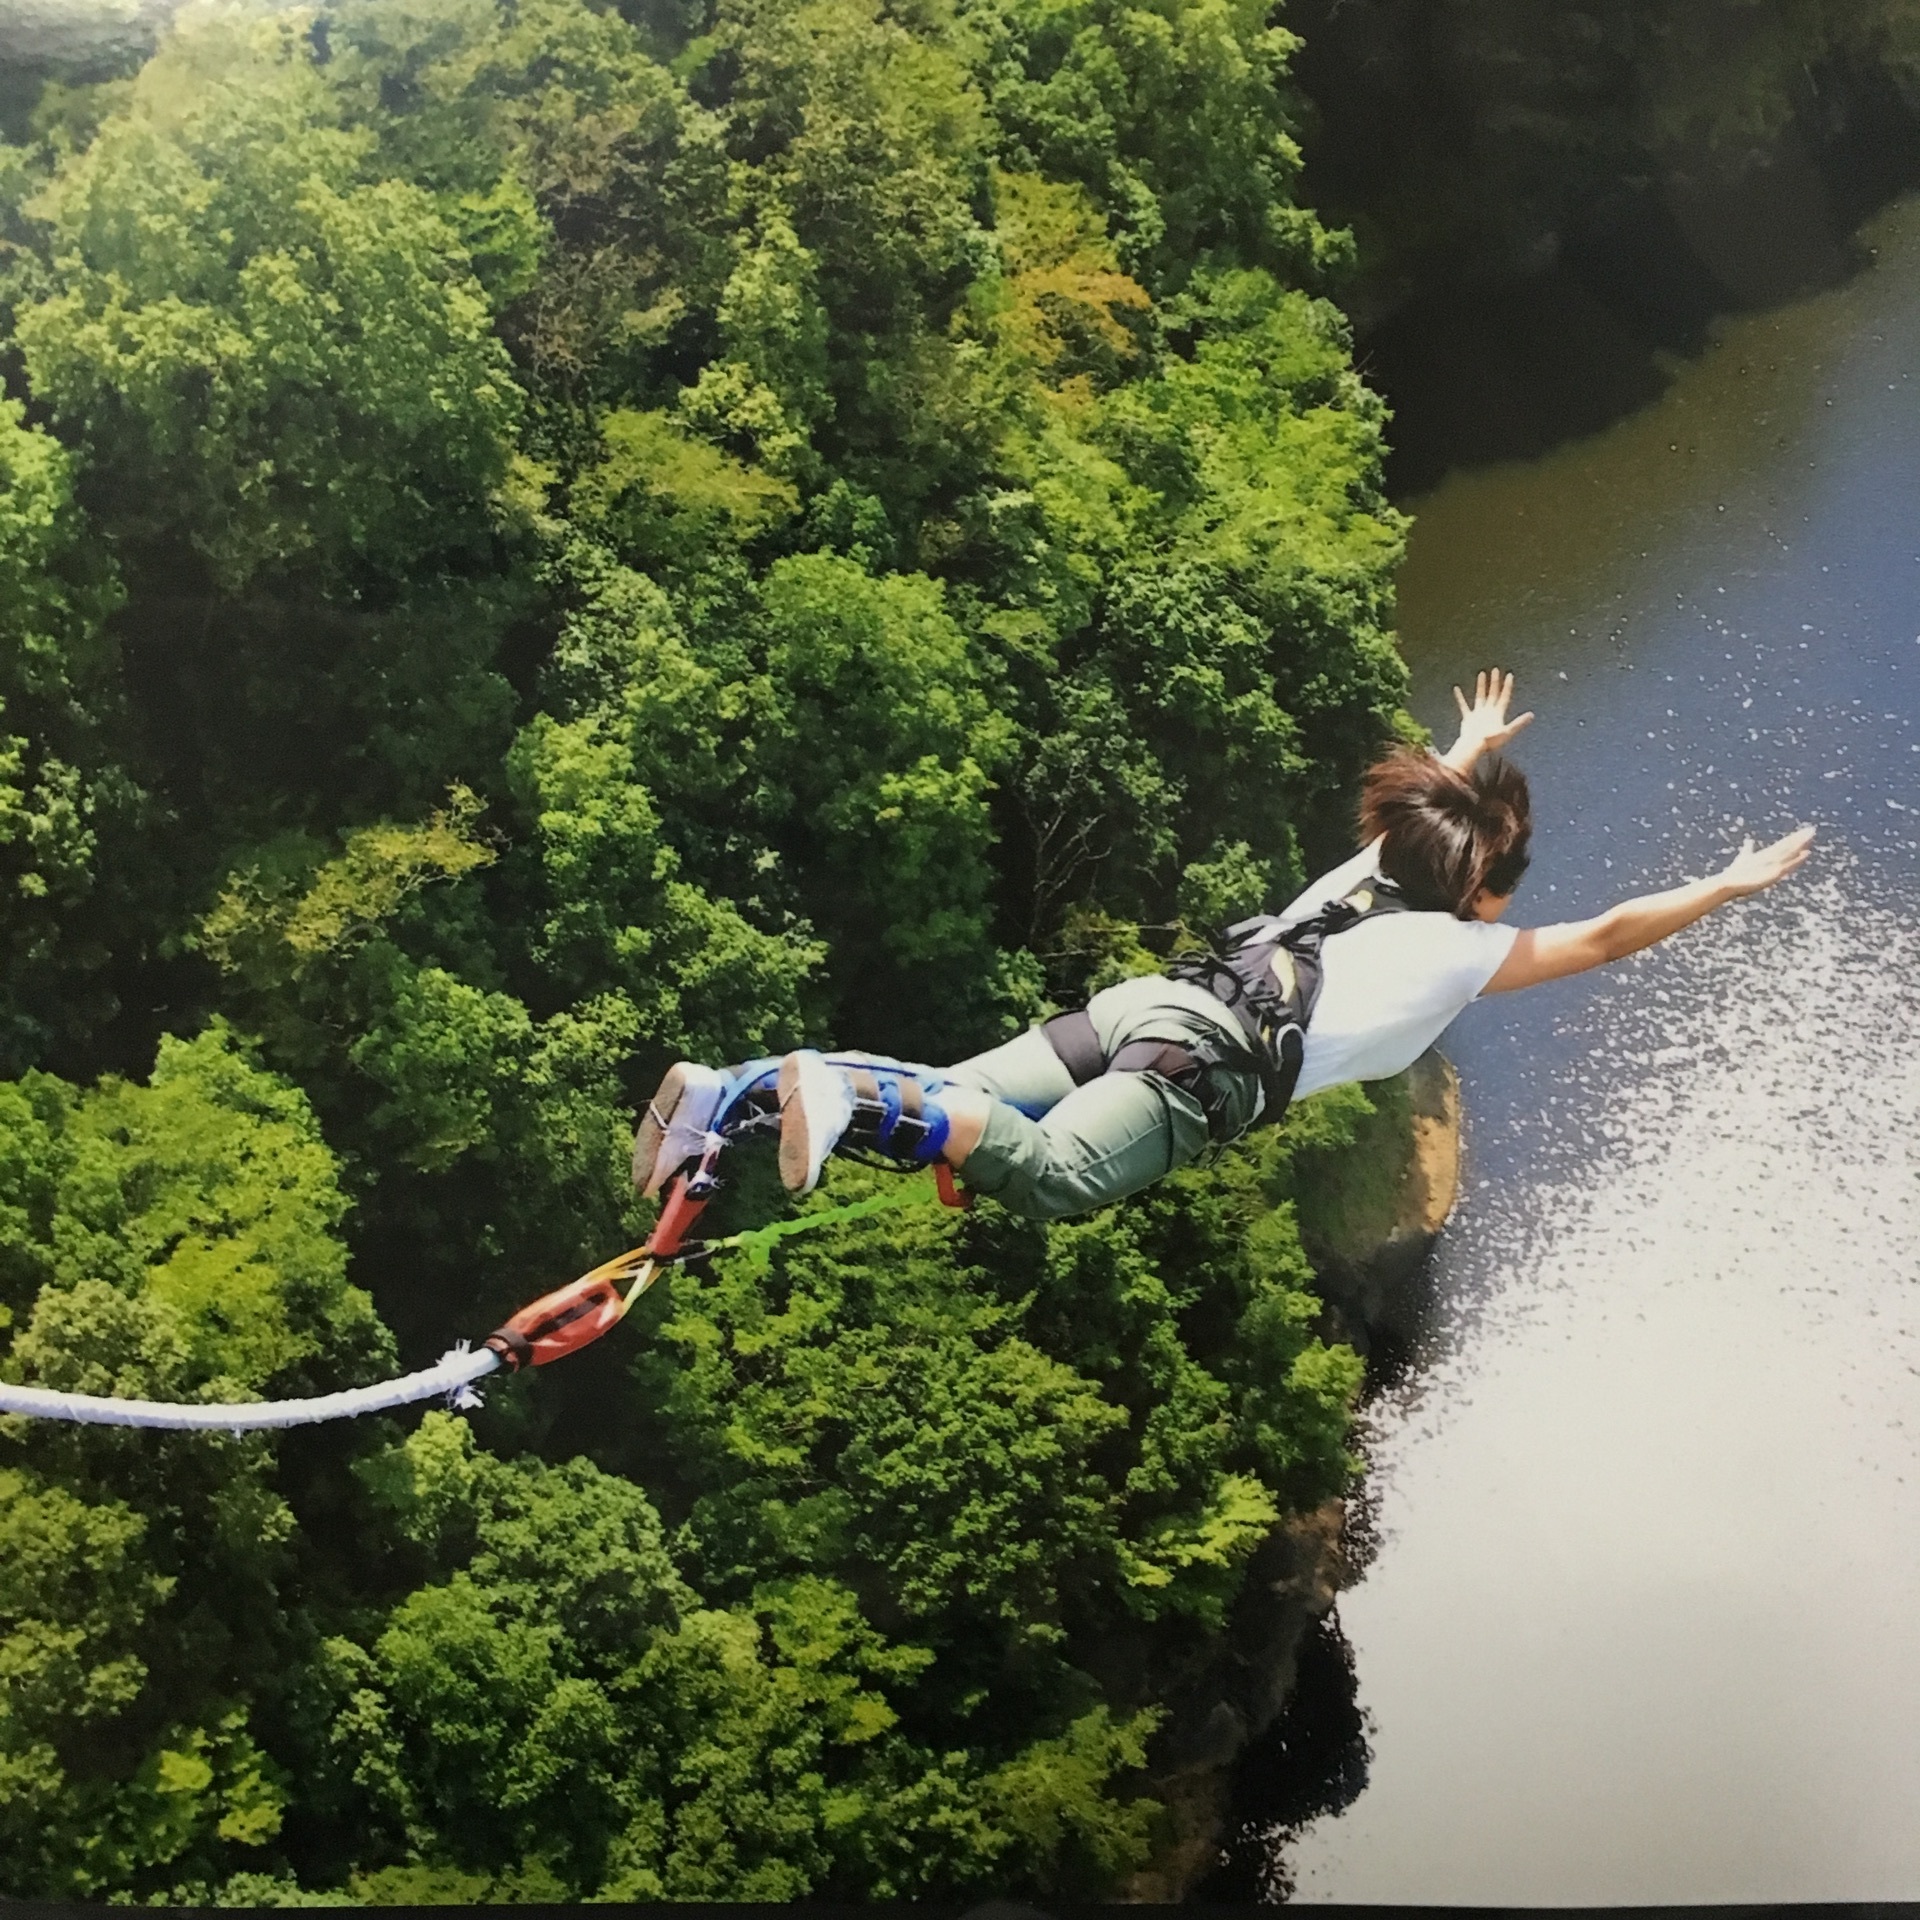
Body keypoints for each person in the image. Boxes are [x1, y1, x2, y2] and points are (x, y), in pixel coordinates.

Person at [633, 670, 1815, 1223]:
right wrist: (1726, 882)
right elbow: (1607, 939)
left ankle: (726, 1095)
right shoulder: (1464, 953)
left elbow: (1430, 811)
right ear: (1485, 896)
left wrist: (1464, 746)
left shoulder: (1369, 873)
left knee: (946, 1099)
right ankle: (823, 1086)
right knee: (1057, 1182)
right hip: (1203, 1068)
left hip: (1148, 1002)